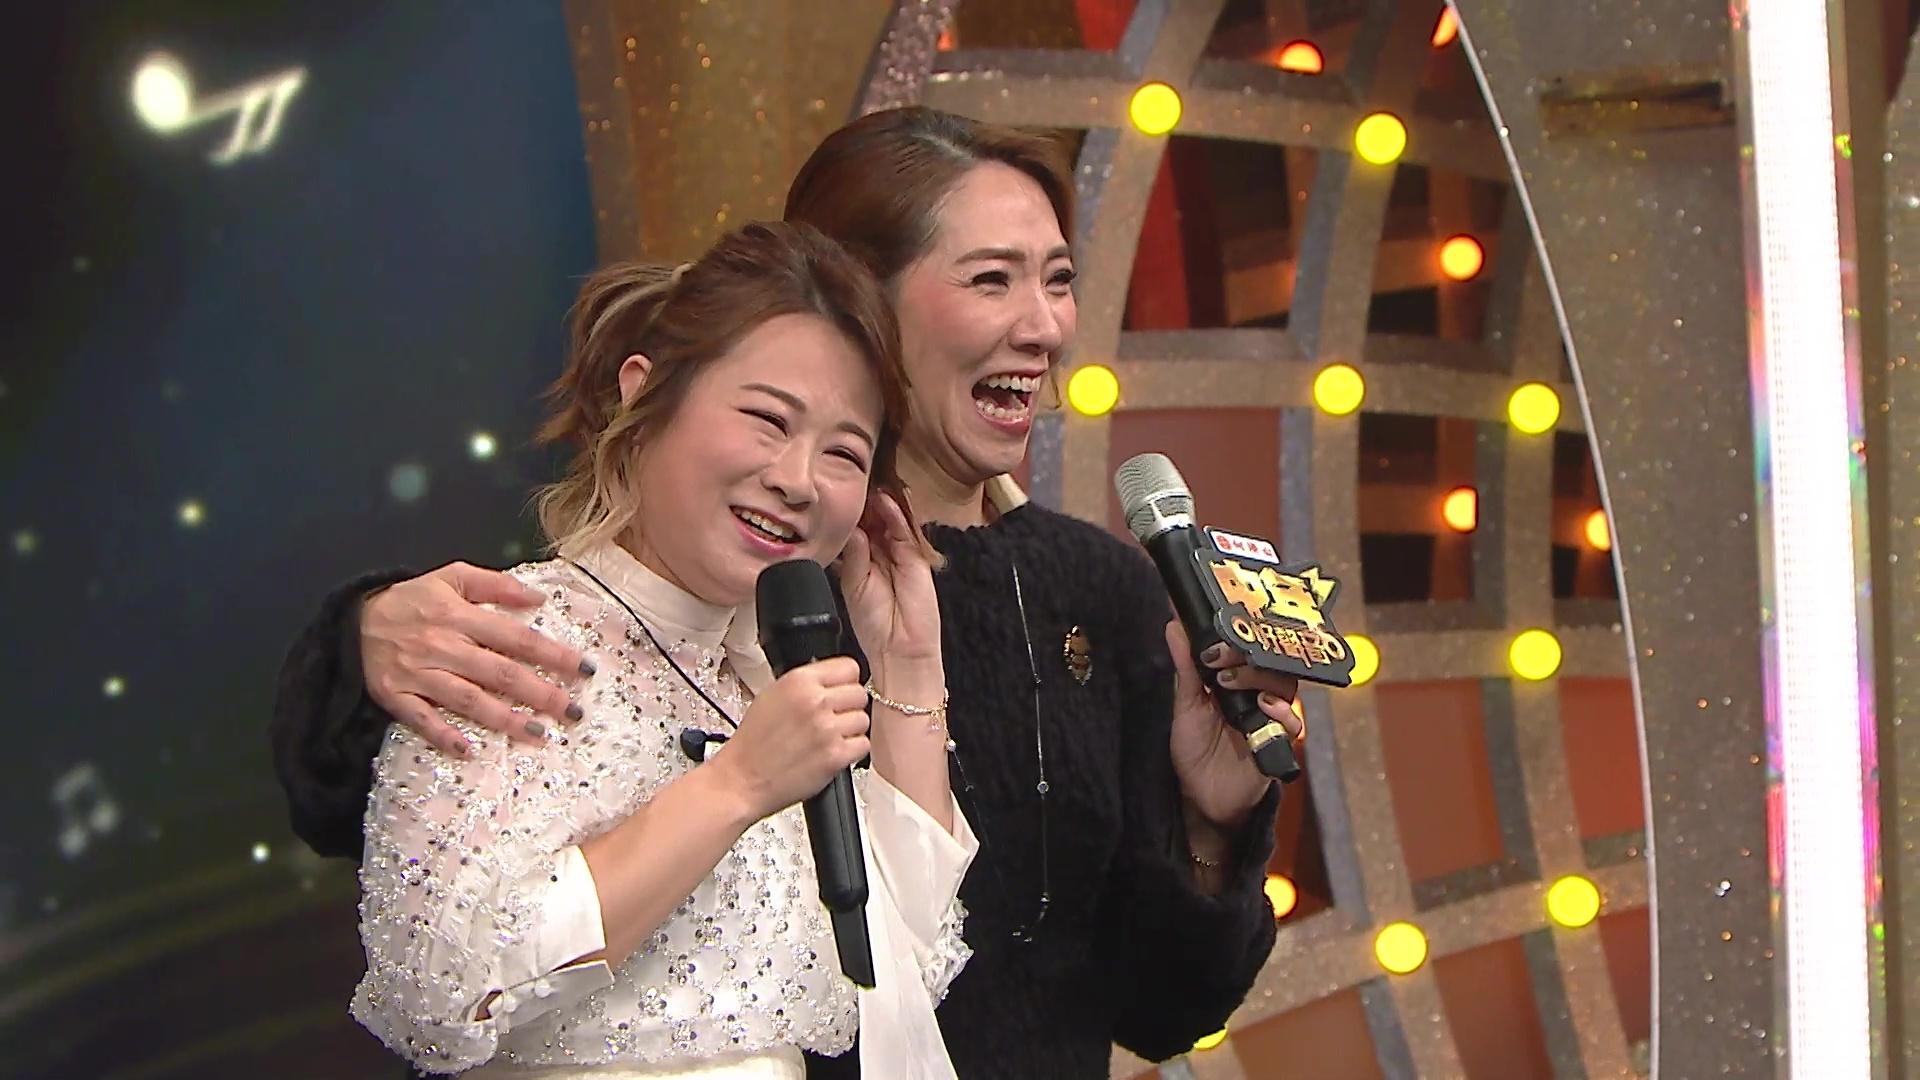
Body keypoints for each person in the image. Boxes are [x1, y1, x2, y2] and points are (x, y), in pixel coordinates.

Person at [275, 108, 1304, 1080]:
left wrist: (1215, 828)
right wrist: (359, 636)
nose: (1042, 326)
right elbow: (423, 929)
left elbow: (928, 969)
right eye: (991, 279)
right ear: (860, 295)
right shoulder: (676, 602)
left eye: (1059, 281)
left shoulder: (1086, 593)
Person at [344, 220, 975, 1079]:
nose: (797, 479)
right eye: (767, 420)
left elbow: (900, 970)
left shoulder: (760, 684)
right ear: (644, 401)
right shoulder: (504, 641)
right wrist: (734, 786)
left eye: (843, 453)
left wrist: (909, 669)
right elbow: (437, 994)